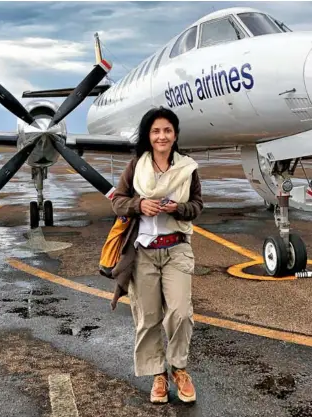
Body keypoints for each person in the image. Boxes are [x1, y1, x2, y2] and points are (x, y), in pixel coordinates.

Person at [109, 106, 203, 404]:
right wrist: (139, 206)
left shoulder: (188, 168)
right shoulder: (136, 166)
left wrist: (180, 209)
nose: (162, 136)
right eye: (155, 131)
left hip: (176, 248)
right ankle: (158, 376)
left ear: (175, 135)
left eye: (167, 130)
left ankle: (179, 369)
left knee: (180, 312)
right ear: (148, 136)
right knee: (147, 318)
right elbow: (118, 203)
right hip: (144, 253)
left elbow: (198, 205)